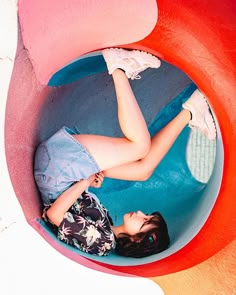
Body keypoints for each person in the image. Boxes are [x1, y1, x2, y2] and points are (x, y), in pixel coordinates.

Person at [34, 48, 216, 258]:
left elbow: (55, 215)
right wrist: (90, 182)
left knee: (139, 146)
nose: (141, 214)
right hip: (61, 171)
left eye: (144, 221)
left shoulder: (102, 244)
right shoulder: (107, 228)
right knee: (142, 171)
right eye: (147, 216)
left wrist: (84, 182)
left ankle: (119, 68)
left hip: (57, 171)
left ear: (137, 240)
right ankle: (191, 111)